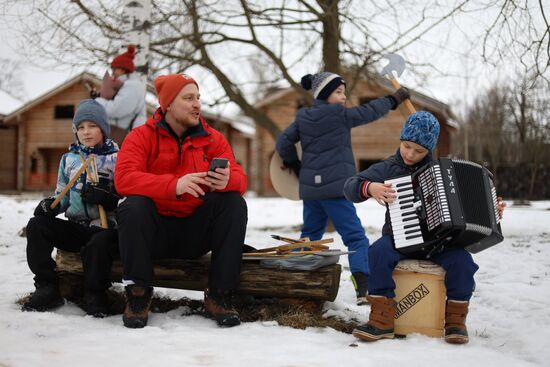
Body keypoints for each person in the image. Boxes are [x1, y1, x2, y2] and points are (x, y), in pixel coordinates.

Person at [343, 111, 507, 344]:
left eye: (418, 151)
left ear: (428, 150)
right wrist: (370, 188)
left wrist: (492, 210)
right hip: (399, 239)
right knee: (377, 253)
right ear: (401, 140)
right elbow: (350, 186)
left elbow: (474, 205)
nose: (410, 154)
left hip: (440, 244)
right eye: (406, 146)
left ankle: (455, 322)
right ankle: (381, 320)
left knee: (463, 262)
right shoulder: (389, 168)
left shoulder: (443, 171)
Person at [114, 73, 248, 329]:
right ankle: (138, 294)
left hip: (195, 234)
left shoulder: (213, 138)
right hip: (154, 235)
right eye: (188, 98)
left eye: (198, 97)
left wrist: (227, 181)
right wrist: (174, 185)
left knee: (233, 202)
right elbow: (124, 179)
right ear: (167, 105)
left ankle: (220, 293)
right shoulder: (140, 136)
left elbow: (240, 178)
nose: (197, 103)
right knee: (133, 205)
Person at [275, 71, 410, 305]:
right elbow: (369, 112)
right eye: (338, 92)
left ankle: (291, 279)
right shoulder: (340, 115)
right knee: (356, 237)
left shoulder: (303, 118)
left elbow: (283, 142)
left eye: (344, 92)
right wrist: (393, 100)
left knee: (309, 238)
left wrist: (294, 165)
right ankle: (363, 287)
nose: (344, 97)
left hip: (312, 192)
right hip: (337, 189)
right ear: (325, 94)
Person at [23, 99, 121, 317]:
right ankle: (47, 287)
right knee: (37, 225)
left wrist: (108, 198)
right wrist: (50, 206)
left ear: (103, 129)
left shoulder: (117, 159)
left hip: (105, 229)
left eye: (92, 126)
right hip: (76, 227)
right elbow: (63, 196)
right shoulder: (69, 159)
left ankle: (95, 294)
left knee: (99, 241)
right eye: (81, 128)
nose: (86, 132)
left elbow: (127, 198)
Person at [94, 44, 147, 145]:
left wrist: (98, 101)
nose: (112, 73)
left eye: (114, 69)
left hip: (124, 136)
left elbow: (115, 110)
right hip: (123, 135)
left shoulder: (132, 86)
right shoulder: (127, 85)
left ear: (122, 69)